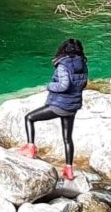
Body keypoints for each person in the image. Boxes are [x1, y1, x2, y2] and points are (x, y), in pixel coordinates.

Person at [18, 38, 87, 180]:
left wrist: (49, 86)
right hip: (72, 106)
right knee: (67, 138)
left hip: (59, 105)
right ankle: (69, 169)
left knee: (29, 118)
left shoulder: (63, 65)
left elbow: (63, 85)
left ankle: (30, 148)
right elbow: (83, 83)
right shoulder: (83, 64)